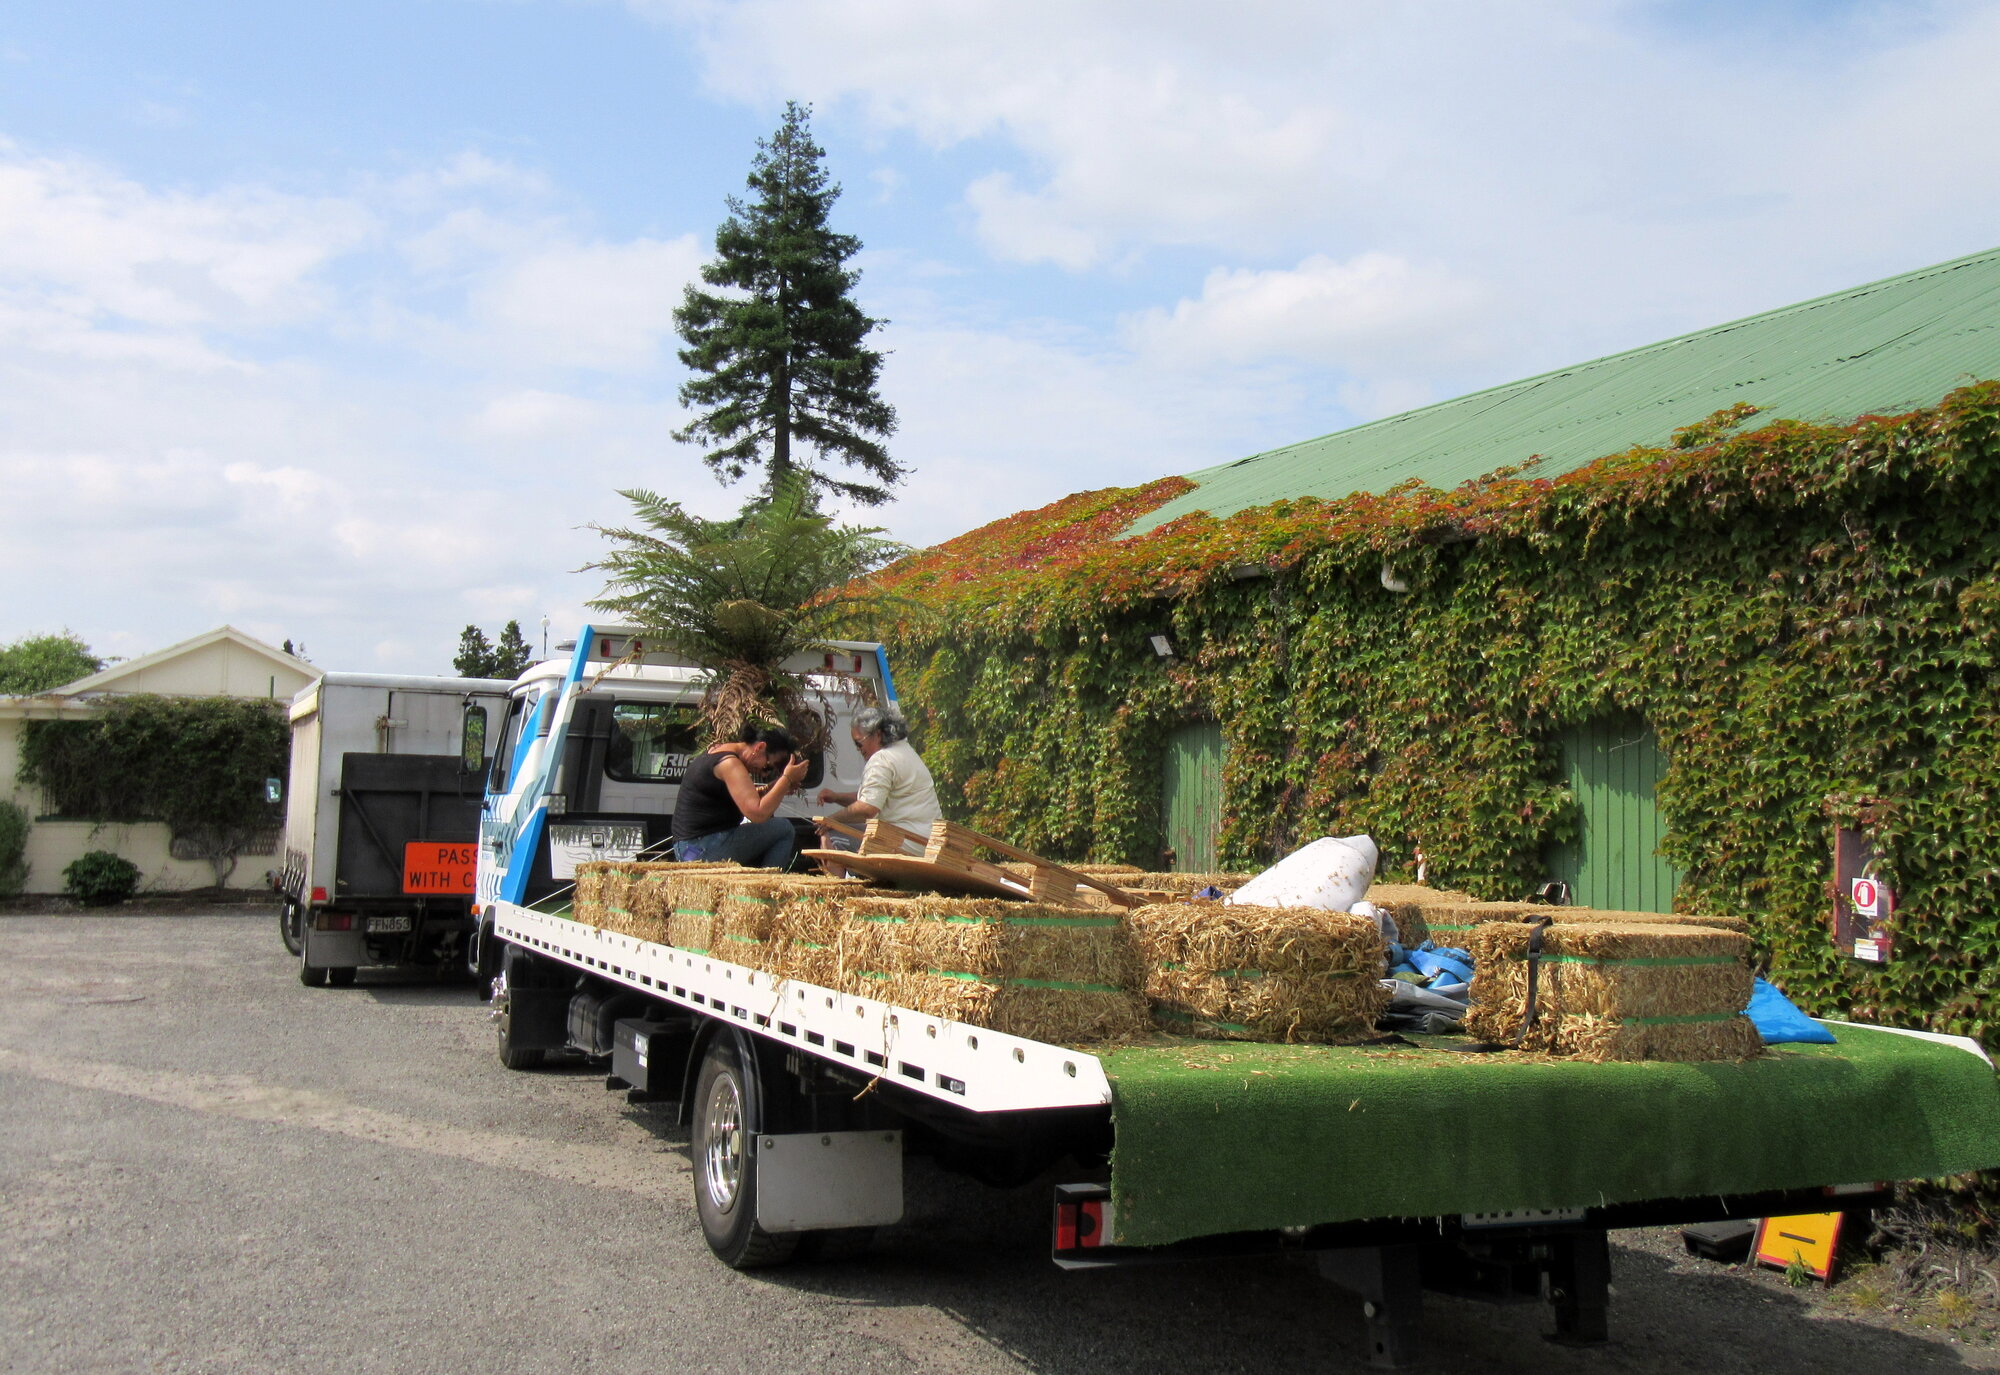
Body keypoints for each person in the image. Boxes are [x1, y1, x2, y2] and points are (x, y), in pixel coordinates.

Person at [671, 725, 810, 867]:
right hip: (704, 847)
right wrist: (786, 778)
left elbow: (743, 799)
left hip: (690, 848)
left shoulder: (716, 753)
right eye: (767, 766)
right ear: (760, 747)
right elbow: (758, 813)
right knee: (784, 829)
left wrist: (774, 788)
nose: (765, 773)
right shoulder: (730, 764)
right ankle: (767, 885)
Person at [815, 706, 940, 851]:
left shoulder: (881, 760)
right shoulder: (905, 751)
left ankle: (835, 875)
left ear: (878, 735)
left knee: (830, 834)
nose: (858, 749)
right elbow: (873, 798)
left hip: (905, 842)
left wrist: (831, 820)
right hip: (927, 841)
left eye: (858, 743)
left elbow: (867, 808)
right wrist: (836, 797)